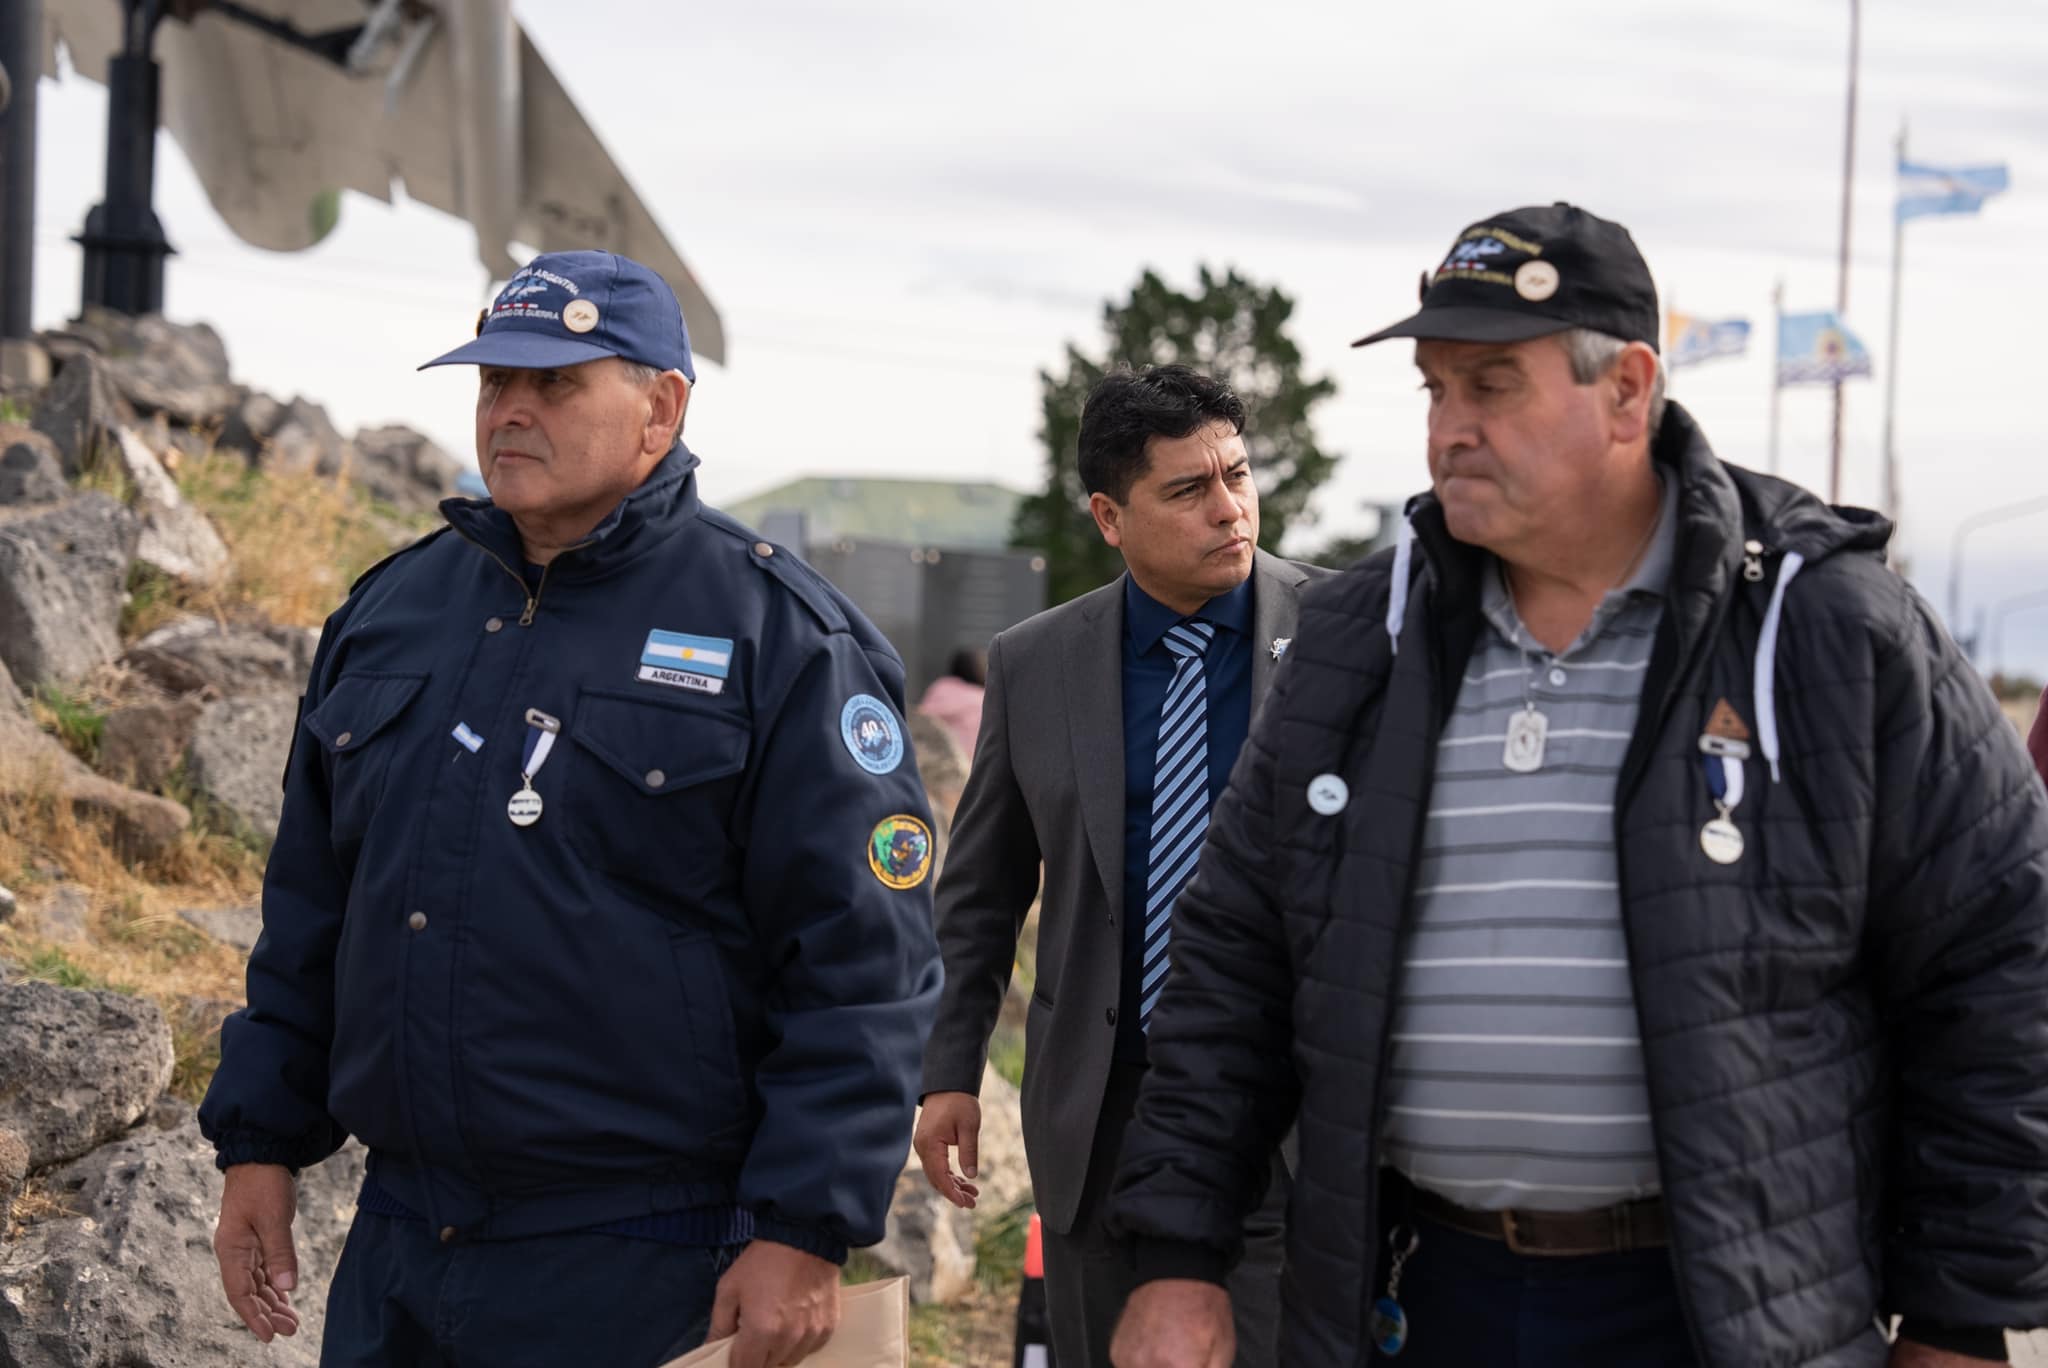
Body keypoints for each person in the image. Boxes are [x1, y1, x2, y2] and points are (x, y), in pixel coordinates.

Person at [1106, 204, 2048, 1368]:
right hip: (1417, 1298)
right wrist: (1179, 1257)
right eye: (1434, 390)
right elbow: (1232, 962)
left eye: (1491, 385)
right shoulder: (1363, 638)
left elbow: (2000, 974)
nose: (1450, 427)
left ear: (1625, 391)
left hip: (1726, 1314)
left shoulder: (1824, 631)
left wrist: (1958, 1320)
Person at [197, 250, 942, 1368]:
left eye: (556, 384)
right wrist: (259, 1142)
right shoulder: (393, 611)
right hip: (400, 1243)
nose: (512, 410)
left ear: (661, 408)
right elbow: (310, 913)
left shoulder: (779, 636)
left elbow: (862, 962)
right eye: (496, 380)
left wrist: (803, 1222)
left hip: (645, 1256)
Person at [914, 365, 1325, 1368]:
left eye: (1234, 475)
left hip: (1289, 1114)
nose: (1227, 509)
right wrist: (948, 1070)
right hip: (1102, 1115)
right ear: (1108, 515)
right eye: (1186, 490)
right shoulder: (1035, 663)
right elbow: (980, 893)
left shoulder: (1342, 638)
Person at [918, 647, 987, 756]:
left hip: (934, 759)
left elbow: (922, 716)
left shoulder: (940, 687)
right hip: (969, 762)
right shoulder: (981, 699)